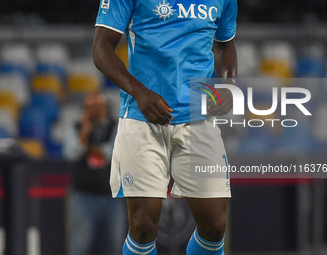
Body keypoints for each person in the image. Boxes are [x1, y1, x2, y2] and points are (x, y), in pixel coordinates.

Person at [93, 0, 237, 254]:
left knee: (215, 225)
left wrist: (229, 82)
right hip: (142, 118)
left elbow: (225, 44)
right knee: (143, 225)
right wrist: (139, 92)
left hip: (198, 119)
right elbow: (101, 49)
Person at [63, 92, 126, 255]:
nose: (94, 111)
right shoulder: (76, 128)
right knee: (79, 245)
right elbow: (71, 153)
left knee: (115, 246)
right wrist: (84, 132)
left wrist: (89, 148)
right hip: (83, 196)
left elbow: (115, 152)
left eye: (98, 107)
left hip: (112, 196)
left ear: (106, 108)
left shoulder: (116, 127)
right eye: (90, 108)